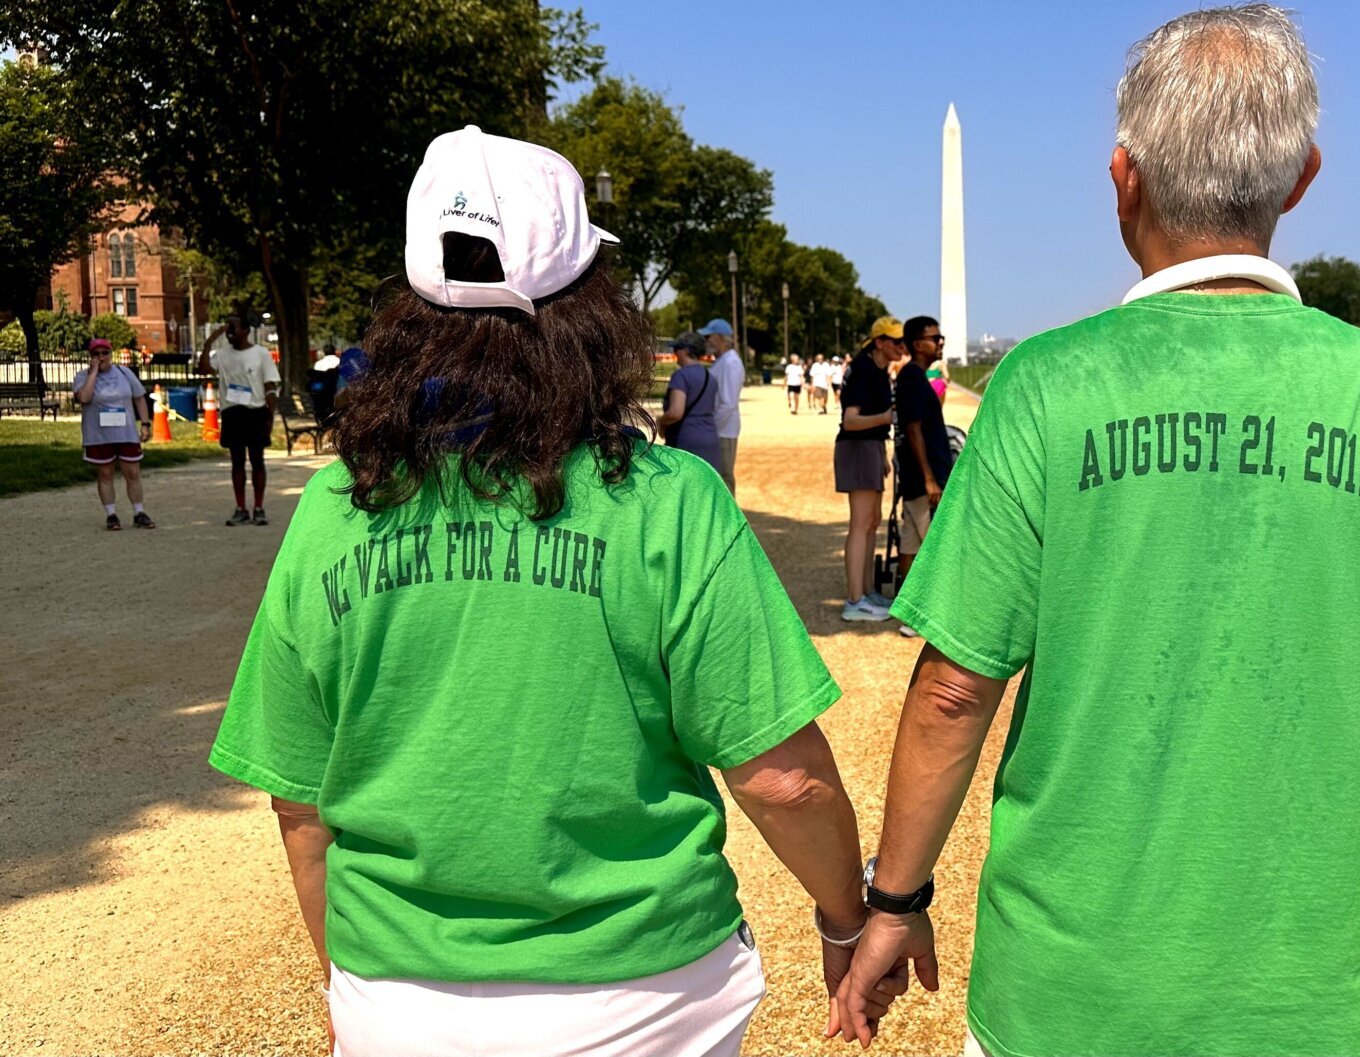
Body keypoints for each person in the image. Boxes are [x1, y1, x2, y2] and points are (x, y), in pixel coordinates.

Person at [836, 8, 1360, 1057]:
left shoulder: (1045, 385)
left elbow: (954, 688)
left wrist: (893, 896)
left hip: (1061, 992)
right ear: (1299, 178)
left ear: (1121, 178)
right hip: (1296, 1000)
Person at [209, 124, 900, 1057]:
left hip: (400, 992)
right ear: (587, 308)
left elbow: (299, 801)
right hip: (642, 992)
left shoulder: (335, 509)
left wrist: (357, 982)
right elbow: (780, 776)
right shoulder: (664, 501)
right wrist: (847, 918)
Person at [833, 318, 901, 622]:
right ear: (879, 342)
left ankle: (867, 591)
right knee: (861, 523)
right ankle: (855, 599)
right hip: (857, 447)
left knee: (871, 521)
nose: (901, 346)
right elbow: (850, 420)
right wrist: (886, 418)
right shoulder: (863, 370)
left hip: (869, 448)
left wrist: (881, 452)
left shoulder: (875, 369)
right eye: (895, 341)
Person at [890, 317, 953, 615]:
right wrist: (929, 478)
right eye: (934, 338)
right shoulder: (913, 378)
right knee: (932, 545)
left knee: (911, 543)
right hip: (923, 476)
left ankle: (909, 610)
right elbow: (913, 429)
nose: (940, 342)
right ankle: (929, 611)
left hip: (916, 475)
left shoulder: (911, 377)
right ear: (917, 344)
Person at [197, 311, 280, 526]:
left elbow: (270, 386)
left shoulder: (260, 354)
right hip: (232, 412)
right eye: (227, 327)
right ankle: (240, 507)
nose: (229, 331)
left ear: (246, 330)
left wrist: (270, 417)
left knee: (257, 461)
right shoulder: (223, 355)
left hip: (255, 411)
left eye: (233, 326)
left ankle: (259, 507)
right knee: (237, 462)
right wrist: (209, 341)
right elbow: (204, 369)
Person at [72, 338, 156, 530]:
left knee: (133, 472)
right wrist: (93, 373)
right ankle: (111, 515)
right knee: (105, 474)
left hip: (125, 431)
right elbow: (84, 397)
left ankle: (139, 512)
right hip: (99, 434)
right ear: (90, 357)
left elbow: (139, 398)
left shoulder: (124, 373)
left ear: (111, 354)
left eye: (105, 353)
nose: (101, 357)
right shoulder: (82, 376)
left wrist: (145, 424)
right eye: (96, 354)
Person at [657, 331, 726, 478]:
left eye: (677, 349)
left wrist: (660, 421)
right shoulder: (710, 376)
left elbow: (676, 412)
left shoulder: (681, 376)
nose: (675, 353)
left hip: (686, 440)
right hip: (710, 438)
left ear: (686, 351)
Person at [699, 318, 744, 495]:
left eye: (709, 336)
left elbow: (728, 403)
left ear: (720, 338)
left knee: (724, 477)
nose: (706, 341)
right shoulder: (723, 361)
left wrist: (711, 428)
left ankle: (729, 520)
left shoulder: (730, 362)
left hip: (723, 429)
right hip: (721, 428)